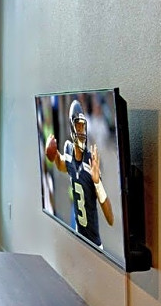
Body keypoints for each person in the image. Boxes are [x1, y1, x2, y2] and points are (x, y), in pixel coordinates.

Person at [44, 99, 114, 246]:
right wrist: (54, 155)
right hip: (78, 237)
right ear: (71, 127)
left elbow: (110, 218)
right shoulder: (68, 149)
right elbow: (63, 165)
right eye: (78, 126)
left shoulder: (90, 162)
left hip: (94, 245)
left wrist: (97, 183)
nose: (81, 131)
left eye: (83, 126)